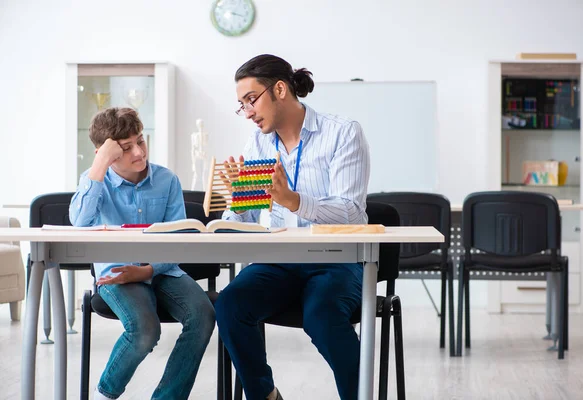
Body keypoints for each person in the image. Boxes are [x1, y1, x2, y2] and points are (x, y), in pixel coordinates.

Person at [214, 54, 370, 400]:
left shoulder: (342, 133)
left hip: (336, 260)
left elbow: (351, 213)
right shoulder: (257, 144)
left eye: (251, 100)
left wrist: (293, 200)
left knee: (322, 315)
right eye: (242, 106)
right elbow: (246, 219)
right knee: (230, 304)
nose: (248, 112)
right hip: (279, 260)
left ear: (280, 89)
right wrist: (235, 203)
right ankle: (265, 396)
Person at [70, 107, 215, 400]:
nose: (138, 152)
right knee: (145, 329)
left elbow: (180, 238)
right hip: (118, 274)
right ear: (106, 153)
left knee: (203, 315)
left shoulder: (167, 180)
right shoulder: (94, 181)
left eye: (141, 141)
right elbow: (79, 222)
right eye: (125, 148)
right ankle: (105, 395)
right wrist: (99, 166)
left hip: (163, 271)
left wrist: (148, 270)